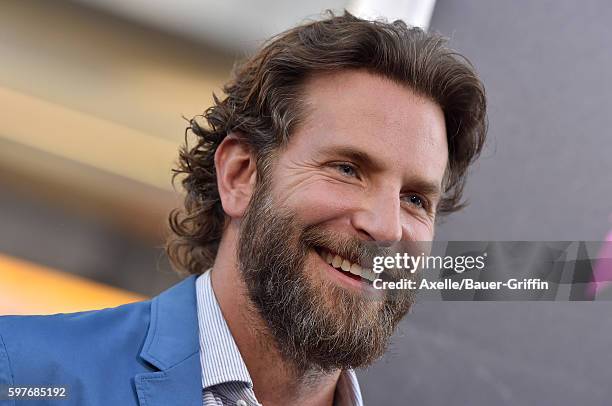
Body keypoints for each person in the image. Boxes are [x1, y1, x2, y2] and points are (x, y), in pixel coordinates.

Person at [0, 11, 487, 406]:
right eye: (346, 169)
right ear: (239, 175)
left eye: (415, 199)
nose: (384, 227)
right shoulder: (22, 376)